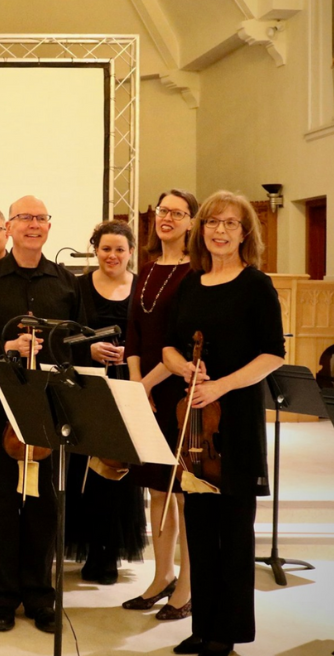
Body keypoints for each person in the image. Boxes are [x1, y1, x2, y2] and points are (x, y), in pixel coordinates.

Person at [163, 191, 284, 656]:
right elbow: (170, 347)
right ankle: (202, 624)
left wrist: (222, 386)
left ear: (245, 233)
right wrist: (185, 370)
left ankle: (227, 633)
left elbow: (273, 354)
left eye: (231, 224)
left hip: (232, 421)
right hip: (195, 425)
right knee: (199, 526)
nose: (220, 231)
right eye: (213, 222)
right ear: (202, 231)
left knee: (233, 532)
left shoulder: (257, 285)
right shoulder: (191, 284)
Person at [0, 195, 84, 634]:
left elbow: (76, 346)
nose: (33, 225)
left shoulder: (67, 283)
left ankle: (40, 596)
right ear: (9, 228)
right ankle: (3, 598)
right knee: (2, 503)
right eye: (24, 218)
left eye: (40, 218)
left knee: (44, 505)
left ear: (49, 227)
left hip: (47, 408)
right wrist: (5, 348)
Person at [123, 188, 199, 619]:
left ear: (192, 222)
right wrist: (136, 382)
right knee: (156, 490)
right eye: (162, 211)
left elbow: (183, 342)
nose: (166, 217)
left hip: (176, 394)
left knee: (182, 492)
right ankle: (161, 575)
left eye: (177, 212)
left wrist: (148, 385)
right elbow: (134, 330)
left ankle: (186, 587)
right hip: (145, 391)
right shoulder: (147, 270)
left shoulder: (195, 273)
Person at [64, 220, 146, 585]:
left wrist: (130, 355)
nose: (112, 255)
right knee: (85, 472)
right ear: (95, 249)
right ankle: (86, 549)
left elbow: (151, 337)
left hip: (128, 386)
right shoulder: (77, 286)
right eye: (106, 248)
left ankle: (109, 553)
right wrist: (90, 348)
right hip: (88, 386)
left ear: (131, 252)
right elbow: (66, 336)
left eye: (120, 249)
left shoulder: (142, 288)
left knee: (119, 473)